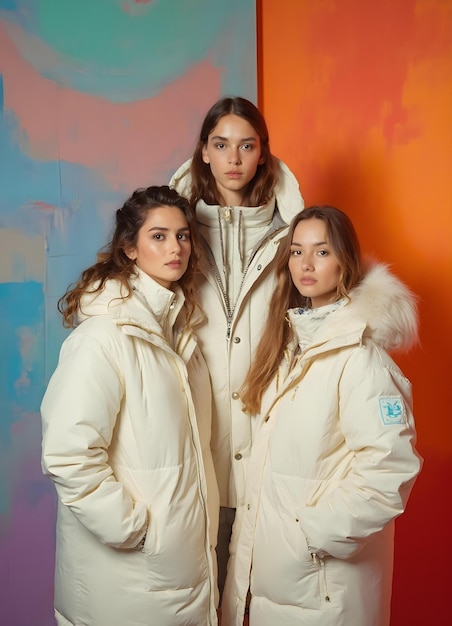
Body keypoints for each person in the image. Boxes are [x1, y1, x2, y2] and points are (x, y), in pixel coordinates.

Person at [221, 206, 422, 626]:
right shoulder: (289, 353)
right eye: (296, 251)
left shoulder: (362, 359)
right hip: (278, 585)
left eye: (322, 251)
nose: (306, 264)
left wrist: (312, 534)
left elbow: (391, 468)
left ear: (344, 261)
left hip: (323, 587)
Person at [40, 186, 219, 626]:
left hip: (180, 571)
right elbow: (68, 453)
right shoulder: (103, 338)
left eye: (183, 236)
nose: (174, 248)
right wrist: (135, 530)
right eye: (158, 236)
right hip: (127, 578)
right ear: (130, 249)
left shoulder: (184, 337)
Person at [169, 96, 304, 597]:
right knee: (193, 598)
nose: (233, 159)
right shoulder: (173, 236)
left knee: (267, 600)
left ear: (263, 154)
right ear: (203, 151)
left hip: (267, 446)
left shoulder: (293, 237)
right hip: (192, 445)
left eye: (246, 146)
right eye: (221, 145)